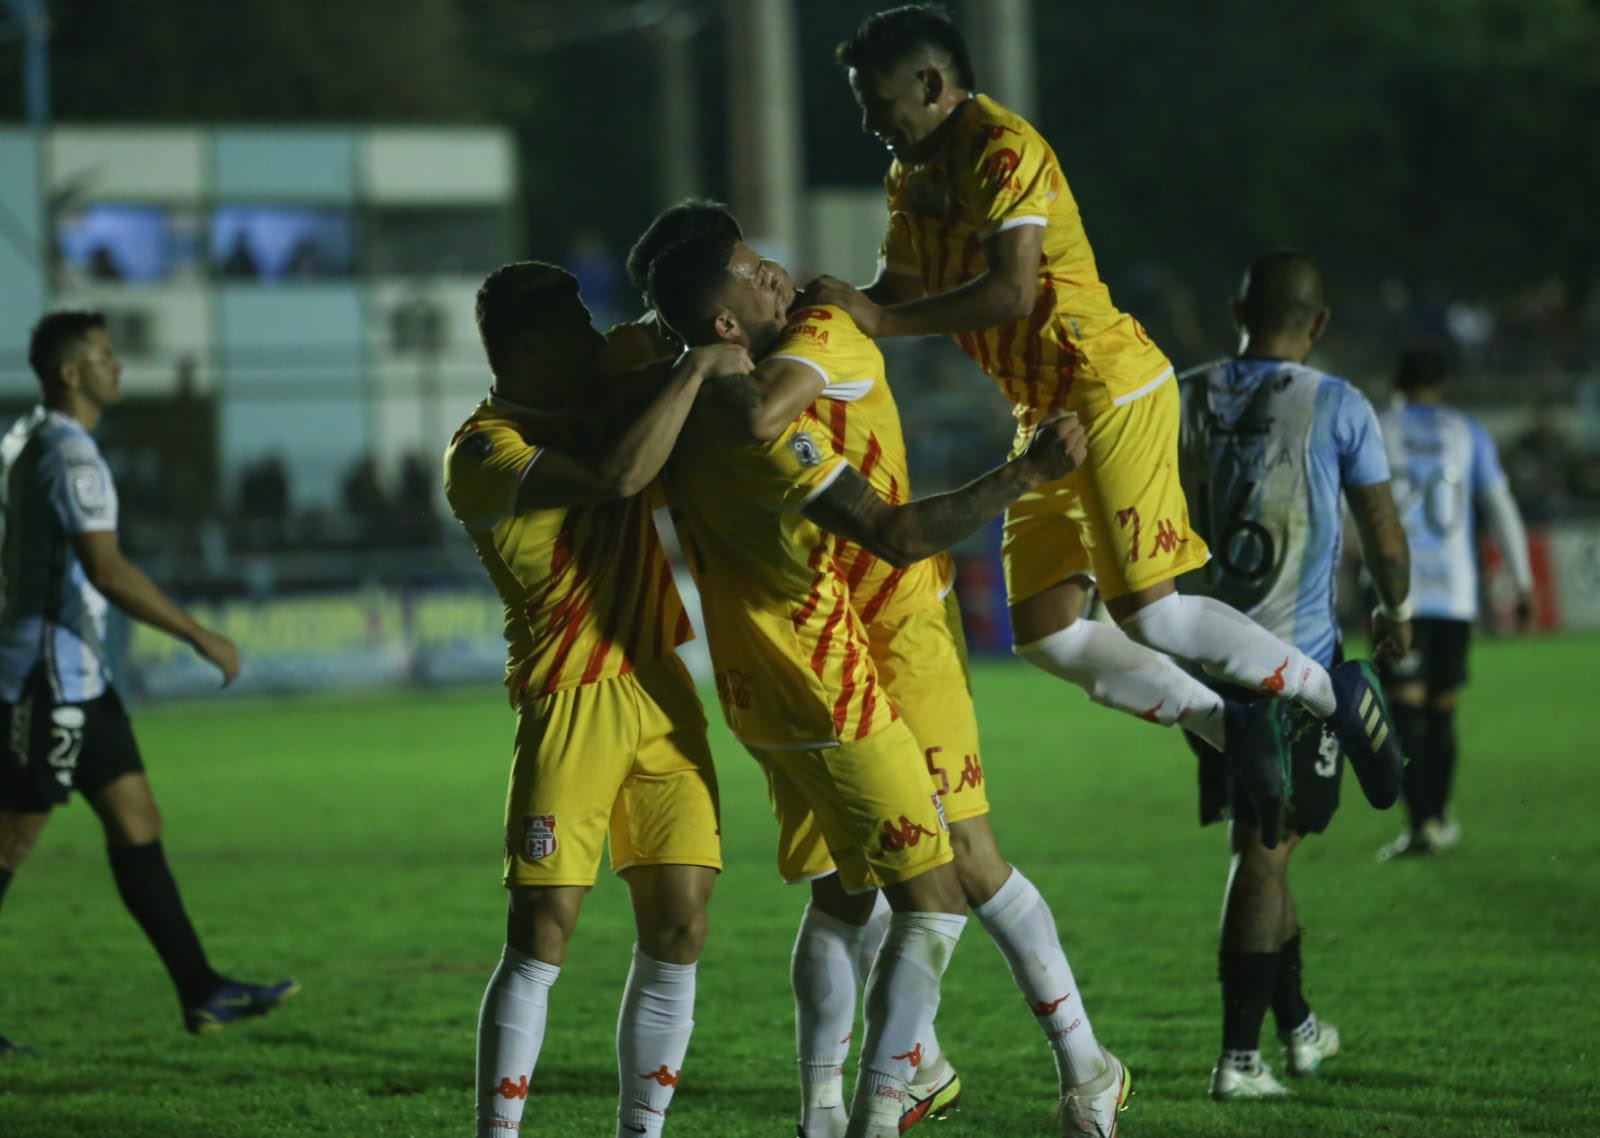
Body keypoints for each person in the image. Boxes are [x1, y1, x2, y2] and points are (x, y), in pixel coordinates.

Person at [809, 4, 1401, 833]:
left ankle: (1330, 692)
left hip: (1105, 384)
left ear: (934, 85)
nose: (870, 118)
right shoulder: (911, 177)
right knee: (1047, 635)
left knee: (1151, 614)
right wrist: (829, 308)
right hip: (1045, 412)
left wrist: (877, 322)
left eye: (878, 98)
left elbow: (1013, 290)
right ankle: (1230, 725)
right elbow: (899, 295)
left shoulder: (1003, 150)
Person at [635, 207, 1151, 1136]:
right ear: (722, 316)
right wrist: (1027, 472)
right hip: (848, 644)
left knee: (902, 875)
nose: (779, 274)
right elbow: (806, 450)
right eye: (754, 270)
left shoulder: (706, 383)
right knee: (922, 881)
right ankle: (915, 1094)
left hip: (866, 640)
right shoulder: (804, 346)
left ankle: (1051, 1074)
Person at [443, 262, 748, 1138]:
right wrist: (691, 369)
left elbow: (697, 321)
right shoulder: (482, 451)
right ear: (530, 346)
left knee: (681, 926)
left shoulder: (605, 366)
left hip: (659, 681)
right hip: (570, 700)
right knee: (544, 929)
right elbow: (615, 478)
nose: (594, 336)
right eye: (575, 326)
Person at [0, 311, 297, 1054]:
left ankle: (201, 990)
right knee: (10, 841)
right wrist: (199, 634)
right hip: (47, 679)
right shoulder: (71, 454)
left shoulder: (26, 435)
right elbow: (107, 567)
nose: (118, 366)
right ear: (72, 372)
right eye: (104, 356)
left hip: (78, 673)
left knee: (138, 821)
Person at [1177, 253, 1413, 1099]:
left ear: (1238, 306)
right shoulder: (1337, 403)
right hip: (1294, 667)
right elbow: (1382, 530)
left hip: (1204, 660)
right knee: (1265, 853)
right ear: (1318, 324)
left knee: (1269, 842)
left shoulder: (1182, 393)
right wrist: (1394, 608)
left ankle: (1301, 1022)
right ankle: (1240, 1059)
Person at [1375, 347, 1536, 859]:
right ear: (1442, 385)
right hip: (1454, 592)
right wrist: (1524, 580)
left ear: (1395, 382)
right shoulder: (1468, 432)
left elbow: (1346, 505)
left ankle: (1419, 823)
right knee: (1442, 711)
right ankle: (1439, 819)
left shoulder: (1378, 426)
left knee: (1404, 711)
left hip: (1394, 591)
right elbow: (1499, 505)